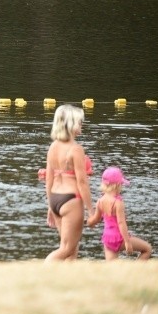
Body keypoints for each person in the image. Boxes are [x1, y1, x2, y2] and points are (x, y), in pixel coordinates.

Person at [44, 104, 93, 261]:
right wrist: (91, 211)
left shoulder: (53, 147)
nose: (81, 125)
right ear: (71, 124)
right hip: (71, 199)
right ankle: (44, 270)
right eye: (79, 122)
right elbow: (82, 182)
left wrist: (50, 206)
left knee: (71, 248)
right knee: (67, 248)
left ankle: (66, 280)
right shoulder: (76, 149)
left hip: (55, 199)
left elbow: (48, 179)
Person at [87, 167, 152, 261]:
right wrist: (127, 242)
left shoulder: (100, 201)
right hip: (119, 238)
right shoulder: (118, 203)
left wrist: (89, 222)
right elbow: (121, 223)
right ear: (117, 185)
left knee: (111, 268)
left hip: (107, 238)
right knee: (147, 249)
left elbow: (95, 219)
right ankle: (136, 272)